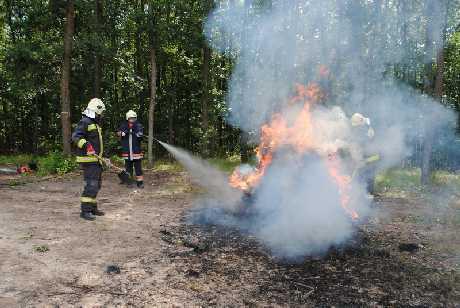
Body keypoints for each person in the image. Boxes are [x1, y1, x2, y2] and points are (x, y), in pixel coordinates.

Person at [71, 98, 106, 221]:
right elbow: (75, 137)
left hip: (96, 160)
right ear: (94, 111)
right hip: (88, 160)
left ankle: (92, 208)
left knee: (96, 185)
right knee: (91, 185)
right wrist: (86, 145)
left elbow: (98, 143)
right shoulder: (85, 122)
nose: (101, 115)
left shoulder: (95, 124)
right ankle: (85, 211)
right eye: (99, 113)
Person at [350, 113, 380, 195]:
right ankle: (364, 196)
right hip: (367, 159)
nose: (355, 128)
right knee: (363, 179)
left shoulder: (368, 130)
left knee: (367, 179)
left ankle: (367, 198)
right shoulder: (364, 127)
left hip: (370, 159)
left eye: (356, 126)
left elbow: (369, 146)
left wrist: (363, 161)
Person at [117, 110, 144, 188]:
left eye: (134, 118)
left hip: (136, 151)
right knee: (128, 168)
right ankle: (129, 182)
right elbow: (119, 133)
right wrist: (122, 133)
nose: (132, 120)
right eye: (131, 118)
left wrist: (139, 134)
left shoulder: (138, 125)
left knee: (138, 168)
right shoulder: (123, 125)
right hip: (127, 151)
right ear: (127, 118)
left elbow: (140, 135)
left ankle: (140, 182)